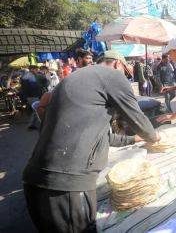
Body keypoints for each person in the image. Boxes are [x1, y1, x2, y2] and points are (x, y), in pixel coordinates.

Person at [22, 50, 160, 233]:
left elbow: (102, 135)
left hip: (35, 179)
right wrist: (154, 136)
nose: (125, 77)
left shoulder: (75, 77)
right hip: (66, 187)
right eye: (125, 72)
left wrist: (134, 138)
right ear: (117, 64)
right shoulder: (112, 76)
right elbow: (137, 118)